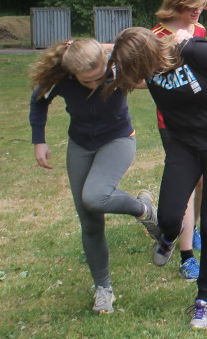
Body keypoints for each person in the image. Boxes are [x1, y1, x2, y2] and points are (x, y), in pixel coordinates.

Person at [107, 27, 207, 330]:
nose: (135, 77)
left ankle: (204, 302)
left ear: (148, 57)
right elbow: (112, 53)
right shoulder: (143, 65)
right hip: (184, 146)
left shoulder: (192, 50)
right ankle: (168, 237)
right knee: (170, 216)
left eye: (136, 69)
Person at [28, 38, 161, 315]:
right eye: (85, 82)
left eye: (98, 78)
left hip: (118, 139)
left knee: (95, 196)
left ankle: (144, 209)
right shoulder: (60, 75)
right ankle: (103, 289)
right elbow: (39, 99)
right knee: (89, 221)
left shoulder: (117, 63)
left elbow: (150, 52)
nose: (94, 85)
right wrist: (38, 140)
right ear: (72, 74)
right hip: (81, 144)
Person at [151, 0, 207, 281]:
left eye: (200, 4)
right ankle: (186, 256)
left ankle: (190, 228)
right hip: (172, 123)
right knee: (185, 182)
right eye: (191, 4)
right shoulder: (156, 35)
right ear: (176, 2)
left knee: (199, 182)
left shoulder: (198, 29)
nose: (198, 10)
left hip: (200, 119)